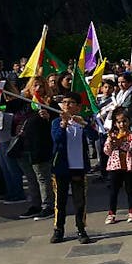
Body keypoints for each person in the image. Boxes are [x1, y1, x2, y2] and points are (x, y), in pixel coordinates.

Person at [49, 92, 98, 244]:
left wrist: (84, 124)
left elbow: (94, 136)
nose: (67, 105)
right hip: (61, 167)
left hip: (78, 166)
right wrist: (63, 125)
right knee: (60, 201)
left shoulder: (82, 121)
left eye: (70, 103)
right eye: (64, 102)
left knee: (80, 201)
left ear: (78, 107)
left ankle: (81, 229)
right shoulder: (56, 122)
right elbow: (57, 139)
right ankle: (58, 229)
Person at [15, 78, 55, 220]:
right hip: (24, 146)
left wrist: (49, 117)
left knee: (42, 178)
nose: (38, 89)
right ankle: (35, 205)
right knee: (31, 179)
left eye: (41, 86)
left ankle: (47, 206)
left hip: (40, 146)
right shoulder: (24, 103)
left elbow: (57, 123)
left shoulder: (50, 104)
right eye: (35, 85)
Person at [104, 108, 132, 224]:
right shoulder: (112, 135)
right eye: (119, 122)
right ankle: (111, 213)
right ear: (115, 123)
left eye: (124, 121)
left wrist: (122, 144)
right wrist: (111, 143)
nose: (122, 124)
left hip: (128, 167)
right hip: (115, 166)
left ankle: (131, 212)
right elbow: (106, 151)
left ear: (129, 121)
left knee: (130, 190)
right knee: (113, 191)